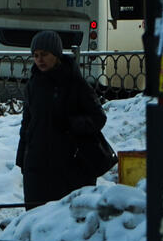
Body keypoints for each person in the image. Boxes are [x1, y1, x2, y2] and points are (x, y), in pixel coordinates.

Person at [17, 30, 108, 208]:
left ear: (56, 55)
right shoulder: (33, 84)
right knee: (37, 217)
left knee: (65, 218)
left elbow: (98, 117)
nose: (39, 60)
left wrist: (72, 124)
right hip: (37, 164)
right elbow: (27, 123)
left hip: (69, 164)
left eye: (44, 54)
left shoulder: (75, 83)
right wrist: (22, 157)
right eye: (35, 55)